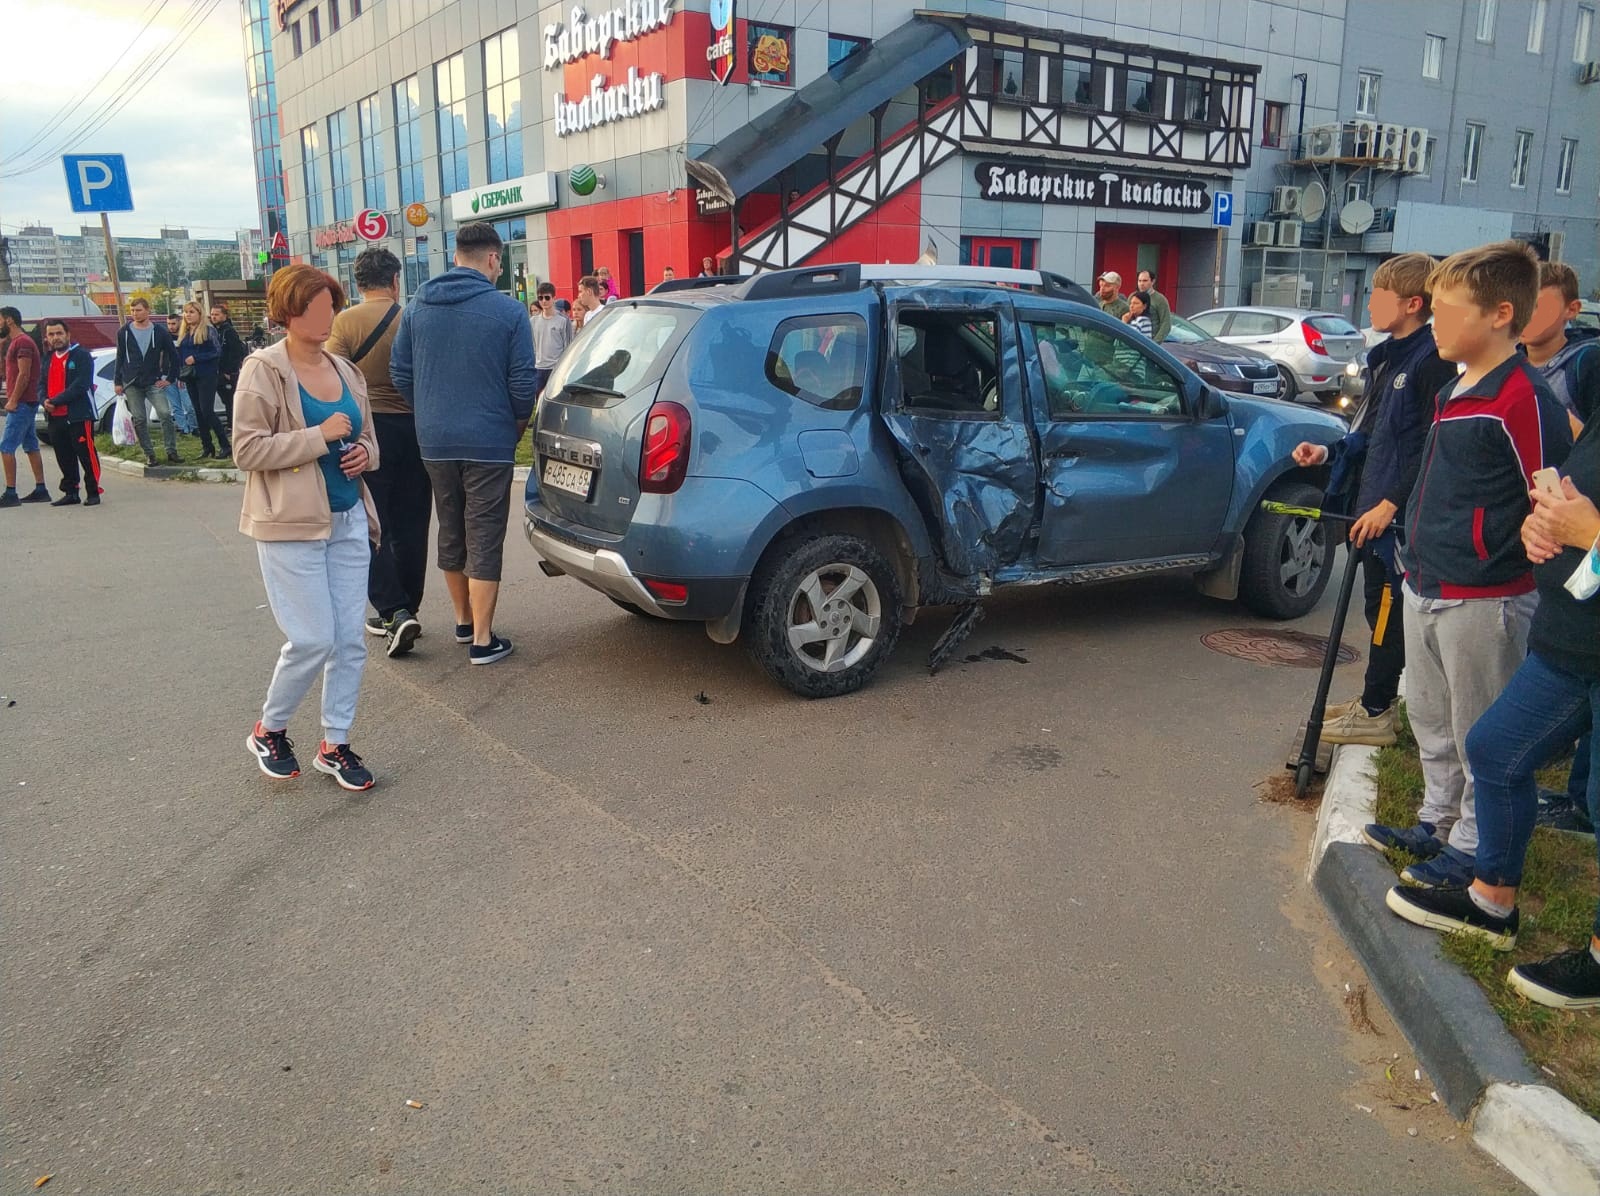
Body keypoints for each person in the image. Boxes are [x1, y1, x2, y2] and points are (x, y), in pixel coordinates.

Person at [1361, 241, 1573, 889]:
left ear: (1500, 314)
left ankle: (1475, 845)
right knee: (1430, 714)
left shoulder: (1522, 399)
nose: (1441, 326)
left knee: (1479, 727)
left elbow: (1552, 498)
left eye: (1452, 313)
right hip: (1425, 579)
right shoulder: (1455, 385)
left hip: (1486, 595)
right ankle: (1436, 822)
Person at [1384, 432, 1599, 1007]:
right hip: (1570, 642)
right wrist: (1545, 530)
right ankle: (1491, 903)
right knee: (1496, 749)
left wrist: (1592, 534)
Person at [1291, 253, 1457, 749]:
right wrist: (1327, 452)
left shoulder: (1431, 362)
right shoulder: (1389, 359)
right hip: (1370, 507)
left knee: (1388, 614)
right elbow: (1372, 435)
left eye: (1379, 294)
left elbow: (1433, 445)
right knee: (1375, 610)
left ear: (1411, 303)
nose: (1369, 302)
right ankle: (1373, 699)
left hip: (1396, 519)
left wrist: (1393, 502)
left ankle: (1378, 711)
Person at [235, 263, 379, 792]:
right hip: (290, 524)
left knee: (349, 642)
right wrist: (318, 436)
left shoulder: (347, 371)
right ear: (288, 312)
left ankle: (335, 744)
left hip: (347, 518)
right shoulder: (263, 369)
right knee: (312, 638)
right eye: (314, 306)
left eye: (331, 305)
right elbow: (247, 449)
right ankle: (269, 729)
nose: (326, 316)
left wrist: (365, 453)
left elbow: (368, 438)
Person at [390, 221, 537, 665]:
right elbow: (522, 383)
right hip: (488, 440)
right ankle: (483, 640)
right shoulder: (509, 312)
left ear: (456, 256)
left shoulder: (418, 305)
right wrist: (513, 425)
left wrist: (430, 409)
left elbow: (400, 372)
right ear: (493, 259)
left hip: (434, 440)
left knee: (451, 529)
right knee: (485, 534)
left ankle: (463, 621)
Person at [1523, 261, 1598, 833]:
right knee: (1499, 746)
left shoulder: (1586, 363)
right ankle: (1576, 799)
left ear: (1571, 310)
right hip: (1566, 596)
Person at [326, 247, 429, 659]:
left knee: (371, 523)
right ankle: (410, 604)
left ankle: (393, 609)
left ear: (357, 284)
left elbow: (331, 378)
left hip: (371, 430)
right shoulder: (413, 318)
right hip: (418, 429)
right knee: (413, 521)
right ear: (395, 281)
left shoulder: (345, 322)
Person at [38, 319, 102, 507]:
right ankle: (71, 491)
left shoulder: (81, 356)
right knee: (64, 455)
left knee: (86, 454)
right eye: (51, 334)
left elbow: (81, 385)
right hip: (54, 416)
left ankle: (93, 492)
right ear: (46, 338)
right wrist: (44, 401)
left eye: (59, 333)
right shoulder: (48, 358)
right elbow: (41, 384)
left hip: (78, 415)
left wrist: (55, 401)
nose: (55, 338)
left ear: (68, 335)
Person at [114, 297, 181, 466]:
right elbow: (120, 357)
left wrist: (170, 378)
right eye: (132, 310)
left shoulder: (159, 332)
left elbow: (174, 356)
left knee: (165, 413)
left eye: (138, 310)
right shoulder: (124, 332)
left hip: (153, 381)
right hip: (132, 382)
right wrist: (118, 382)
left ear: (147, 310)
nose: (135, 314)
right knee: (139, 418)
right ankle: (149, 454)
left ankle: (171, 450)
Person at [1, 306, 52, 506]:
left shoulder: (22, 342)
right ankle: (41, 489)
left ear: (9, 321)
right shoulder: (16, 342)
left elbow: (24, 374)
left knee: (6, 447)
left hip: (22, 402)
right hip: (27, 402)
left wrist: (13, 400)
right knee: (31, 445)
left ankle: (10, 493)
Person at [176, 301, 230, 459]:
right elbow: (180, 355)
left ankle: (225, 445)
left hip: (207, 375)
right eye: (186, 312)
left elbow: (217, 351)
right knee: (198, 412)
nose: (188, 315)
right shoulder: (185, 332)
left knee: (207, 411)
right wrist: (180, 374)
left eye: (192, 312)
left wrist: (197, 358)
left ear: (199, 314)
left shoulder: (208, 330)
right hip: (190, 376)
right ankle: (207, 446)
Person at [531, 281, 574, 400]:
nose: (543, 301)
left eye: (547, 298)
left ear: (554, 298)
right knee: (539, 401)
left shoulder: (563, 320)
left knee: (556, 400)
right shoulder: (533, 321)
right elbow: (532, 345)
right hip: (539, 367)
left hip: (556, 368)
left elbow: (568, 346)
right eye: (540, 298)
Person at [211, 302, 249, 427]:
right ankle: (231, 423)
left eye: (217, 314)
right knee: (226, 400)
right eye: (212, 314)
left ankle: (233, 424)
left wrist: (229, 372)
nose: (214, 317)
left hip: (227, 372)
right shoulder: (215, 331)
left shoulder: (229, 332)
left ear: (225, 316)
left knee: (230, 400)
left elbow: (235, 352)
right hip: (218, 371)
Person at [1136, 269, 1172, 342]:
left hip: (1151, 341)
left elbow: (1166, 324)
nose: (1141, 284)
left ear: (1152, 282)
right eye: (1139, 281)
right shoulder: (1133, 297)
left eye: (1145, 281)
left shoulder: (1160, 299)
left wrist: (1155, 343)